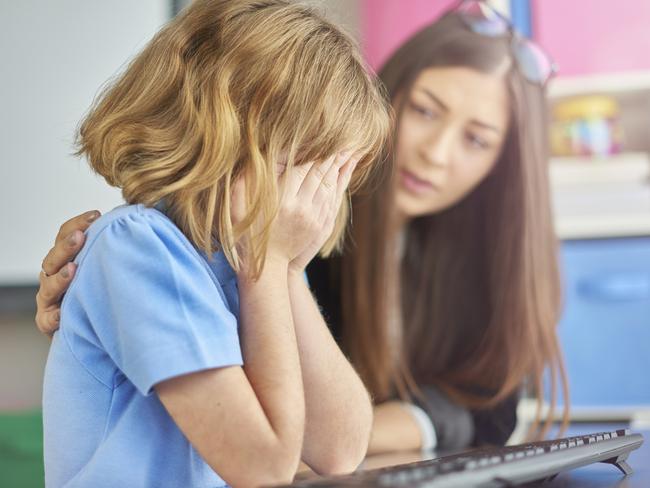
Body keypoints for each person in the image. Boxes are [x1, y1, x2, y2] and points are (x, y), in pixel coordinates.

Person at [37, 0, 568, 458]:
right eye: (426, 111)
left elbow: (479, 415)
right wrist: (95, 299)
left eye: (477, 140)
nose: (436, 152)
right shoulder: (254, 234)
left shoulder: (300, 241)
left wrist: (281, 264)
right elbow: (254, 437)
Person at [40, 0, 390, 486]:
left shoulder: (245, 256)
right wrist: (268, 269)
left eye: (331, 175)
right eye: (306, 168)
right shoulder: (136, 248)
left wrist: (285, 270)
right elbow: (264, 468)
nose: (316, 198)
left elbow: (340, 450)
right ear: (222, 131)